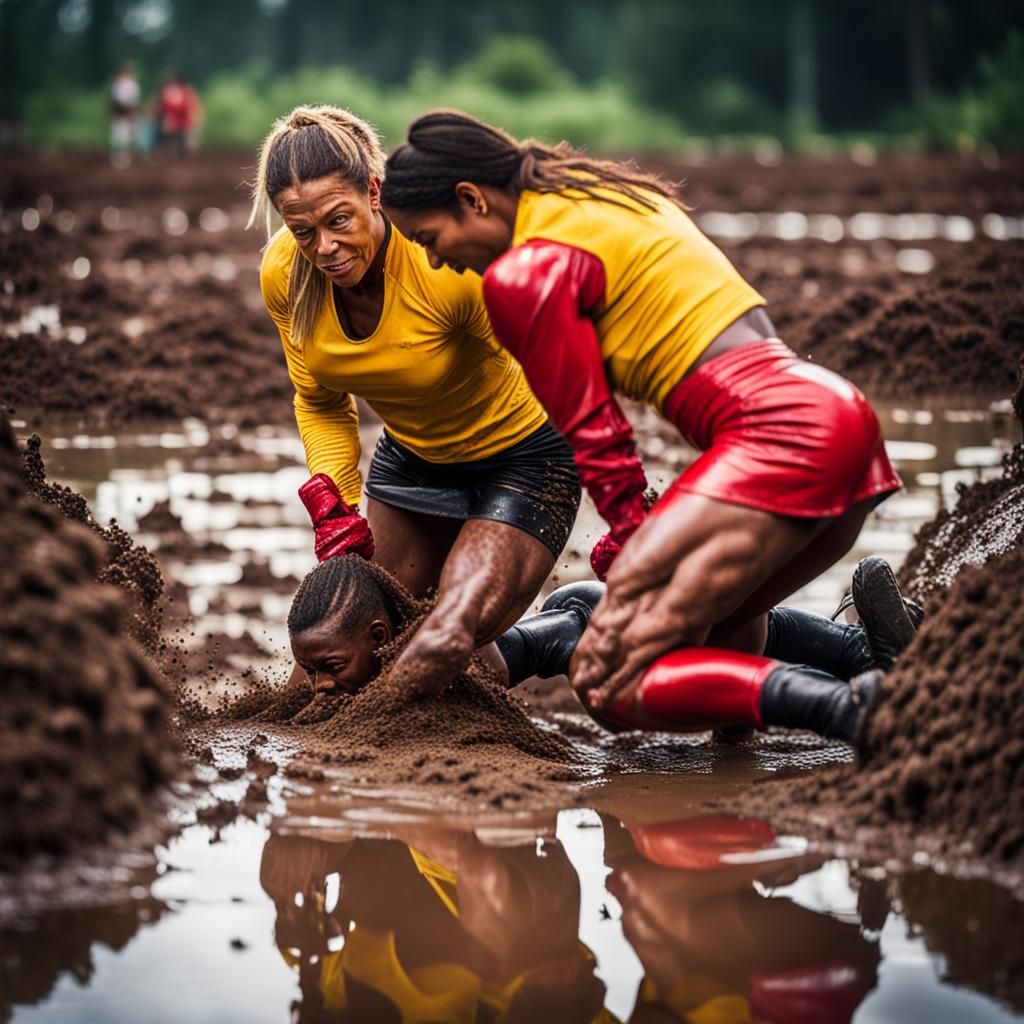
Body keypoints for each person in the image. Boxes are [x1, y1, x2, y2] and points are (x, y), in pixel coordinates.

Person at [381, 110, 918, 742]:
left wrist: (636, 547)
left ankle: (852, 711)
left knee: (606, 676)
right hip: (840, 415)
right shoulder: (602, 196)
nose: (437, 262)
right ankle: (874, 664)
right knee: (700, 623)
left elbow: (595, 433)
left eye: (428, 238)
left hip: (781, 435)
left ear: (471, 200)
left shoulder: (523, 272)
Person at [250, 105, 583, 694]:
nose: (323, 247)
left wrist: (622, 493)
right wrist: (338, 506)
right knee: (349, 655)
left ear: (374, 192)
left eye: (338, 220)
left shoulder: (444, 267)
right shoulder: (283, 273)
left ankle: (564, 629)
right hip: (413, 461)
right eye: (303, 231)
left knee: (436, 651)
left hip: (524, 462)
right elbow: (320, 401)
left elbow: (561, 366)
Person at [287, 555, 602, 696]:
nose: (321, 685)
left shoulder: (427, 667)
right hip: (411, 458)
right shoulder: (334, 671)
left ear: (380, 637)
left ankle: (566, 630)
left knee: (476, 676)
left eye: (332, 666)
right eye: (312, 671)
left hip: (590, 609)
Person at [156, 71, 203, 157]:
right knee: (171, 138)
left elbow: (192, 105)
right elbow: (164, 105)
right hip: (173, 118)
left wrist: (195, 115)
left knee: (187, 140)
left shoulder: (186, 91)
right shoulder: (168, 91)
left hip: (184, 119)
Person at [109, 61, 141, 168]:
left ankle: (125, 158)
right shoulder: (118, 84)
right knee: (118, 137)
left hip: (128, 114)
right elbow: (115, 102)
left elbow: (134, 103)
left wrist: (132, 115)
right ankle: (118, 157)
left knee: (126, 138)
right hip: (120, 114)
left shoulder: (133, 85)